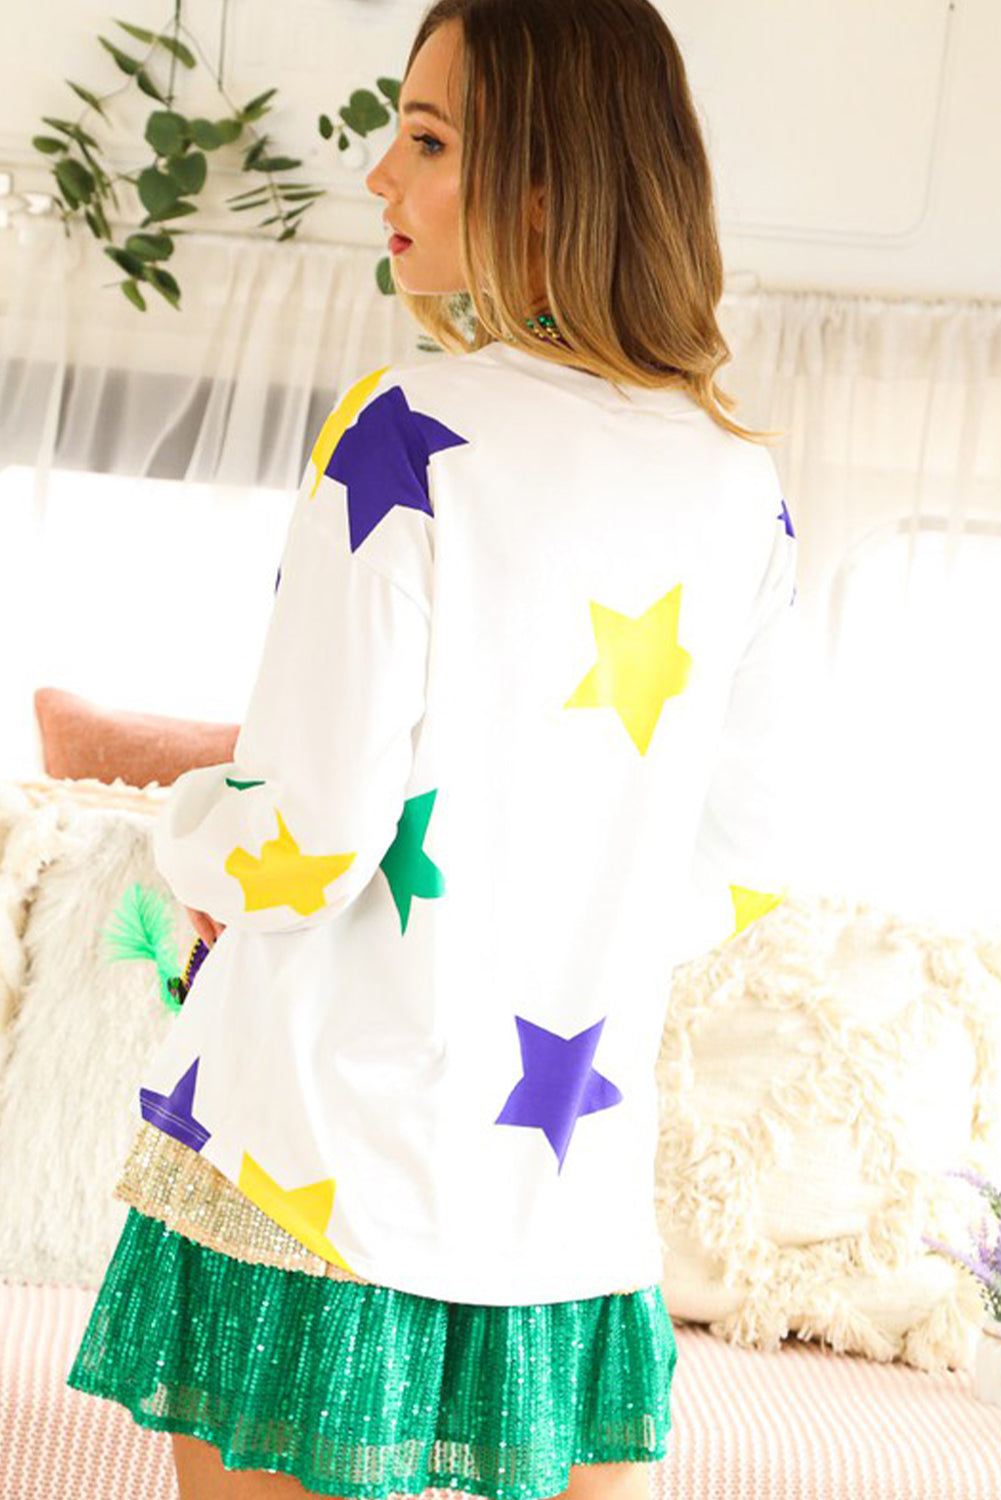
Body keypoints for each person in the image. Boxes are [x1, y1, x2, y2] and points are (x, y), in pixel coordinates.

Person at [67, 1, 807, 1497]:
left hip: (316, 1164)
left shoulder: (403, 432)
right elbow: (748, 858)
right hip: (560, 1203)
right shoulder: (744, 487)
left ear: (544, 180)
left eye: (426, 139)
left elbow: (305, 844)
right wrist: (548, 929)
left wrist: (183, 839)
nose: (378, 178)